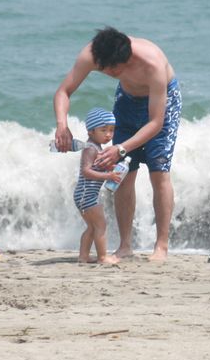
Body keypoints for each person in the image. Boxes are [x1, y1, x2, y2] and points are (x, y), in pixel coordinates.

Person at [53, 27, 181, 262]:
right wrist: (62, 125)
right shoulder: (92, 54)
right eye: (104, 69)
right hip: (127, 102)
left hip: (163, 105)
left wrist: (121, 148)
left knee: (159, 172)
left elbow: (156, 122)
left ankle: (161, 245)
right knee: (123, 173)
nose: (108, 73)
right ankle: (125, 245)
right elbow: (64, 91)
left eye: (112, 70)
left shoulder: (153, 64)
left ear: (128, 59)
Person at [73, 107, 122, 265]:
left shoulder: (97, 148)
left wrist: (109, 168)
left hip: (84, 195)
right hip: (86, 195)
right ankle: (102, 257)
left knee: (92, 227)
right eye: (103, 130)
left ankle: (83, 256)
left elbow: (95, 168)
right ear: (91, 132)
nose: (108, 134)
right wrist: (108, 175)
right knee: (101, 225)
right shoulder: (90, 149)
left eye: (111, 130)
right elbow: (86, 171)